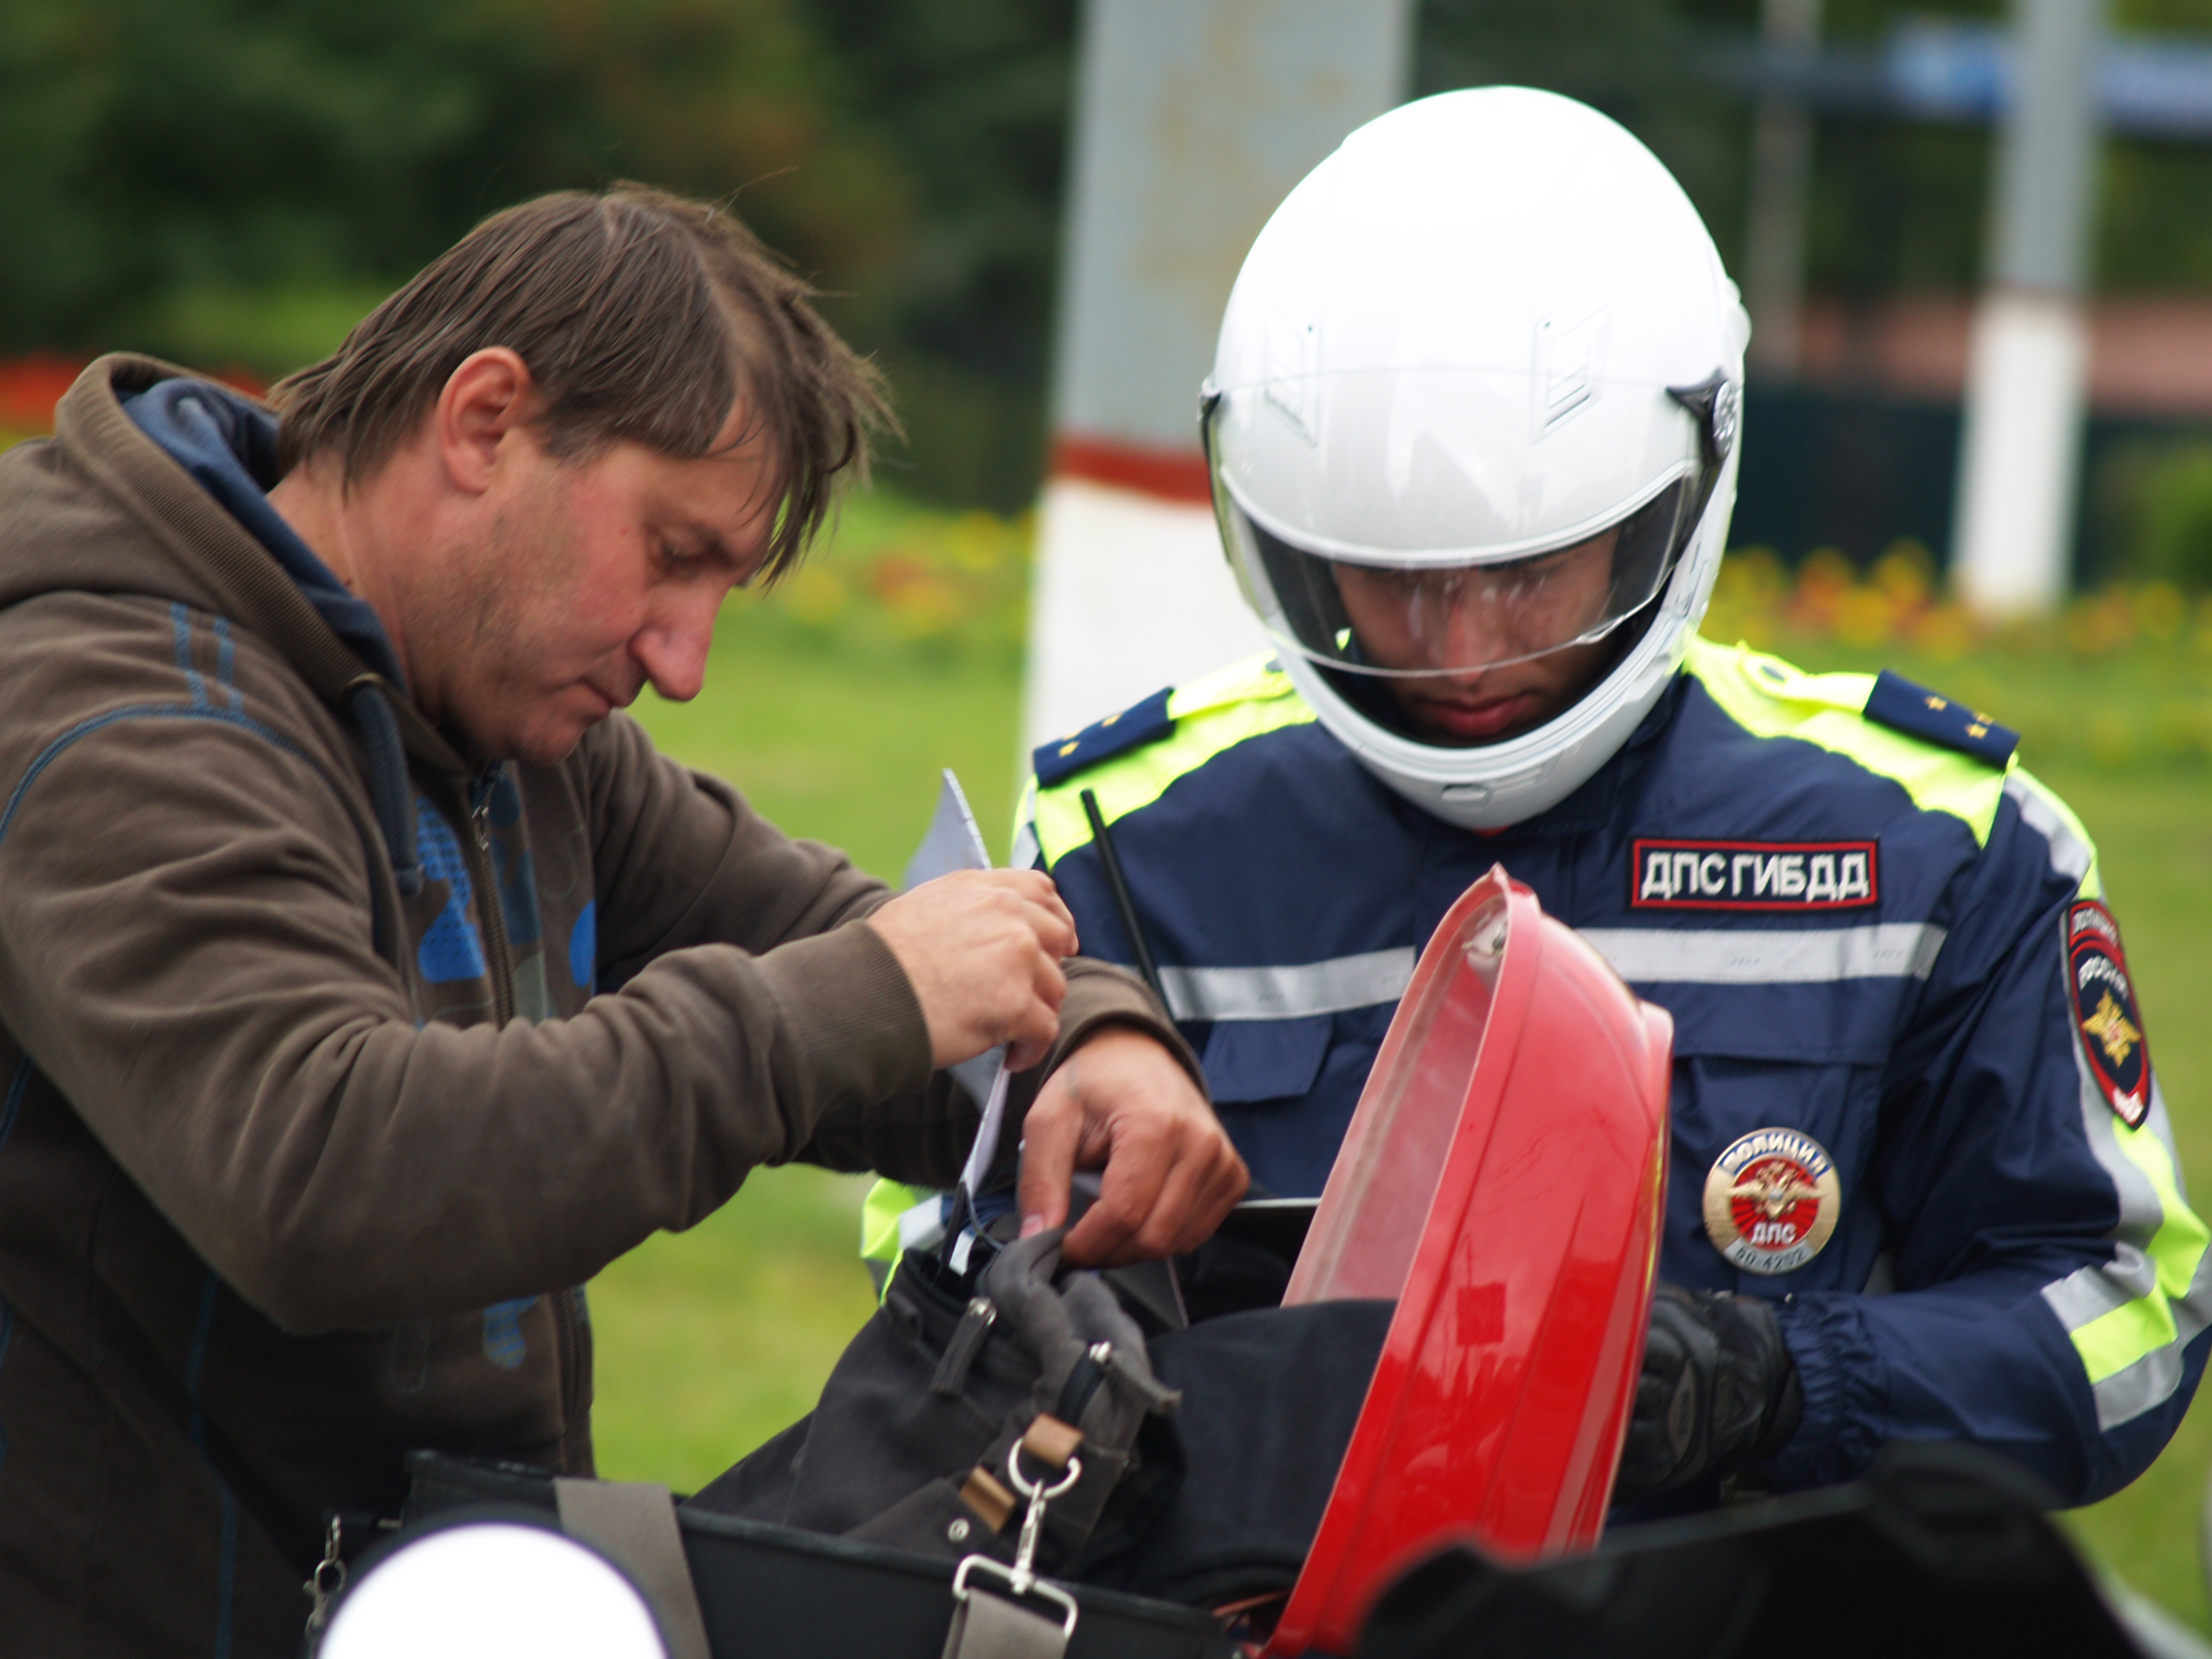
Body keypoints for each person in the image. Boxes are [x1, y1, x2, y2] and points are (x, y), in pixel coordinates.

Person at [876, 88, 2212, 1513]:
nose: (1460, 652)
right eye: (1390, 581)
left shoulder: (1934, 848)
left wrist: (1778, 1382)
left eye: (1530, 574)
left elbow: (2127, 1321)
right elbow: (931, 1298)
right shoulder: (1120, 842)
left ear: (1682, 486)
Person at [0, 184, 1246, 1654]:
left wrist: (1087, 1037)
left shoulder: (489, 708)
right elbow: (324, 1172)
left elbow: (803, 924)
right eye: (671, 553)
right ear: (483, 424)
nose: (686, 659)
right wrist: (857, 1002)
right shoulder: (113, 707)